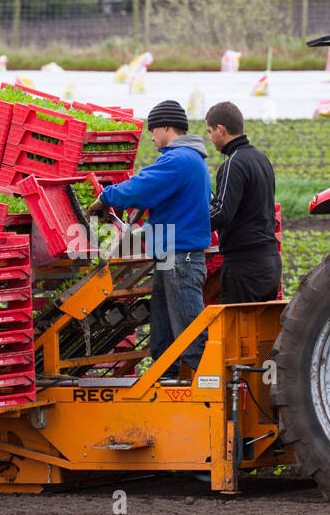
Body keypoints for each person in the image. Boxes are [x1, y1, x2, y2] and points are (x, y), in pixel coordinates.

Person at [86, 99, 211, 381]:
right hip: (172, 257)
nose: (151, 137)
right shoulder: (192, 160)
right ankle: (170, 382)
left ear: (166, 127)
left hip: (182, 259)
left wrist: (105, 197)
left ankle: (210, 391)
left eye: (153, 130)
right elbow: (167, 206)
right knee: (164, 332)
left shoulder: (178, 160)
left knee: (189, 332)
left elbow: (140, 188)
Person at [205, 101, 282, 303]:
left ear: (220, 130)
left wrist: (185, 223)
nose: (210, 138)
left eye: (209, 131)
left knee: (237, 331)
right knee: (260, 333)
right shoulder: (261, 158)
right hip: (270, 261)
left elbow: (222, 213)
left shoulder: (234, 163)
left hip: (245, 265)